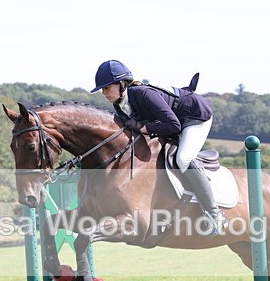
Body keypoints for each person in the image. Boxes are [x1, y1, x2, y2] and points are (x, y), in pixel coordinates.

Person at [90, 59, 226, 235]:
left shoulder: (144, 94)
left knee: (183, 158)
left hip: (194, 117)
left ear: (122, 84)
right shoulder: (119, 105)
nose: (103, 92)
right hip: (172, 122)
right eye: (102, 89)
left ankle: (215, 214)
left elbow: (174, 125)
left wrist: (142, 127)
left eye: (106, 87)